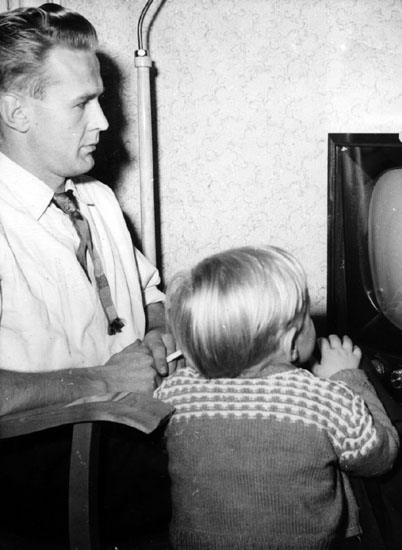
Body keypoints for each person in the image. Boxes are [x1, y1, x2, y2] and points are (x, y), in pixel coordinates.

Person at [0, 4, 176, 542]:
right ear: (16, 112)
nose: (103, 121)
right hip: (39, 489)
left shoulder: (97, 199)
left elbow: (149, 294)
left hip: (133, 457)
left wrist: (158, 332)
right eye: (82, 104)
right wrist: (103, 380)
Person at [154, 245, 400, 550]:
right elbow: (380, 457)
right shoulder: (324, 399)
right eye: (306, 314)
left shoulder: (172, 393)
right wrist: (348, 377)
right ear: (291, 342)